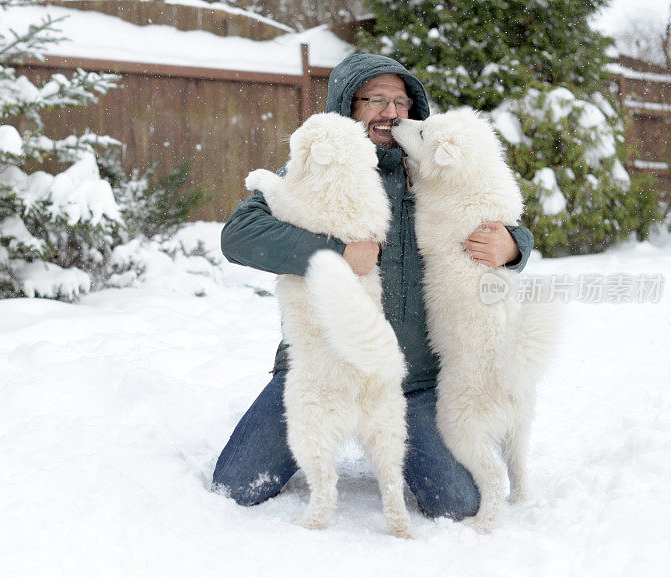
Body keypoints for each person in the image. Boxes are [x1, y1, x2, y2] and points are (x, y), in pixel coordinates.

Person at [211, 53, 534, 520]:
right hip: (326, 365)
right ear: (348, 107)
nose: (391, 112)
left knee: (460, 503)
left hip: (413, 378)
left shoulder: (430, 167)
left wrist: (514, 245)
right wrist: (335, 254)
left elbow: (498, 207)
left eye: (401, 101)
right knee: (235, 485)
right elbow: (239, 235)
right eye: (376, 100)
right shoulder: (316, 166)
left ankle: (398, 439)